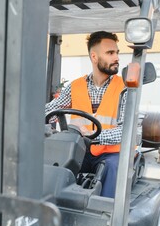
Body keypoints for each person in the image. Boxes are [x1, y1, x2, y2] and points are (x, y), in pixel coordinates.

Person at [45, 31, 127, 198]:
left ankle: (106, 215)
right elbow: (52, 110)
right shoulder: (75, 86)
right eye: (110, 53)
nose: (117, 57)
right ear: (94, 56)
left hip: (113, 153)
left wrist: (93, 135)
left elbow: (127, 130)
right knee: (56, 164)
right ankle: (53, 207)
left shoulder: (125, 88)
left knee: (111, 167)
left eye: (117, 52)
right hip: (82, 150)